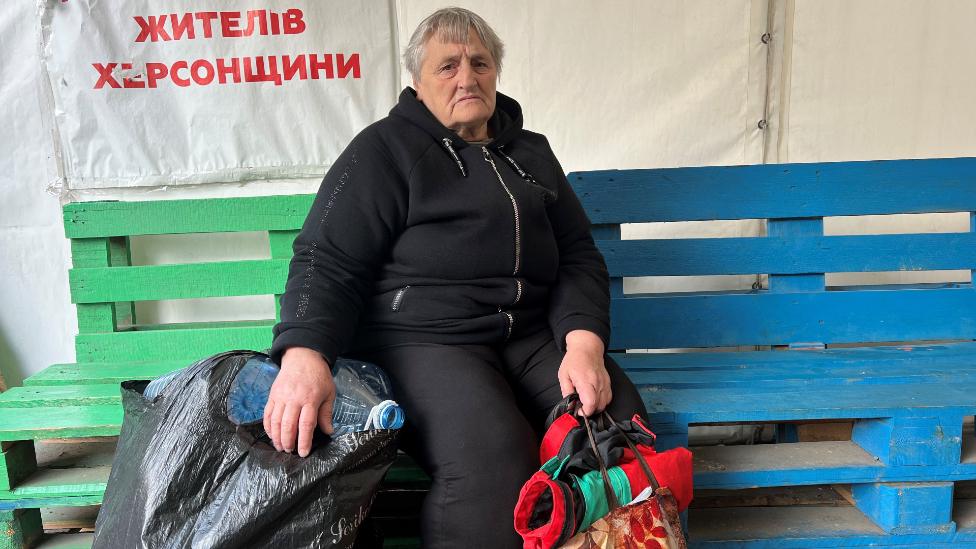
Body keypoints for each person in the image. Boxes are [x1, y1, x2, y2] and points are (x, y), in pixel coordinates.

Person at [264, 7, 648, 548]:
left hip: (532, 334)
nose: (467, 77)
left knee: (617, 430)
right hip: (425, 339)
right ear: (417, 83)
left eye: (480, 63)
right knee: (494, 458)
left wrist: (583, 345)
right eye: (447, 66)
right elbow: (326, 259)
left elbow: (578, 256)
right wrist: (305, 355)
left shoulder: (532, 152)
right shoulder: (384, 151)